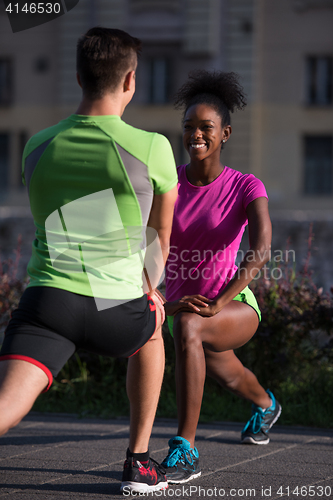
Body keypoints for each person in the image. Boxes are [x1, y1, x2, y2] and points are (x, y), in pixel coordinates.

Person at [0, 27, 178, 495]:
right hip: (116, 309)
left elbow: (50, 217)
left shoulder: (36, 145)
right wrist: (149, 287)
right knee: (154, 327)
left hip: (47, 303)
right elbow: (161, 233)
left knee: (7, 406)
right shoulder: (153, 147)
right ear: (131, 80)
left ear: (78, 77)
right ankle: (138, 464)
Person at [161, 70, 282, 484]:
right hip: (183, 306)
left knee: (192, 328)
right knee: (228, 374)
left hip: (232, 305)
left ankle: (185, 450)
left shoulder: (246, 186)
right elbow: (146, 247)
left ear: (225, 133)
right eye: (189, 127)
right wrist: (162, 298)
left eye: (206, 127)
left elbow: (262, 249)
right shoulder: (168, 185)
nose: (195, 134)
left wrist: (219, 302)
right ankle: (267, 405)